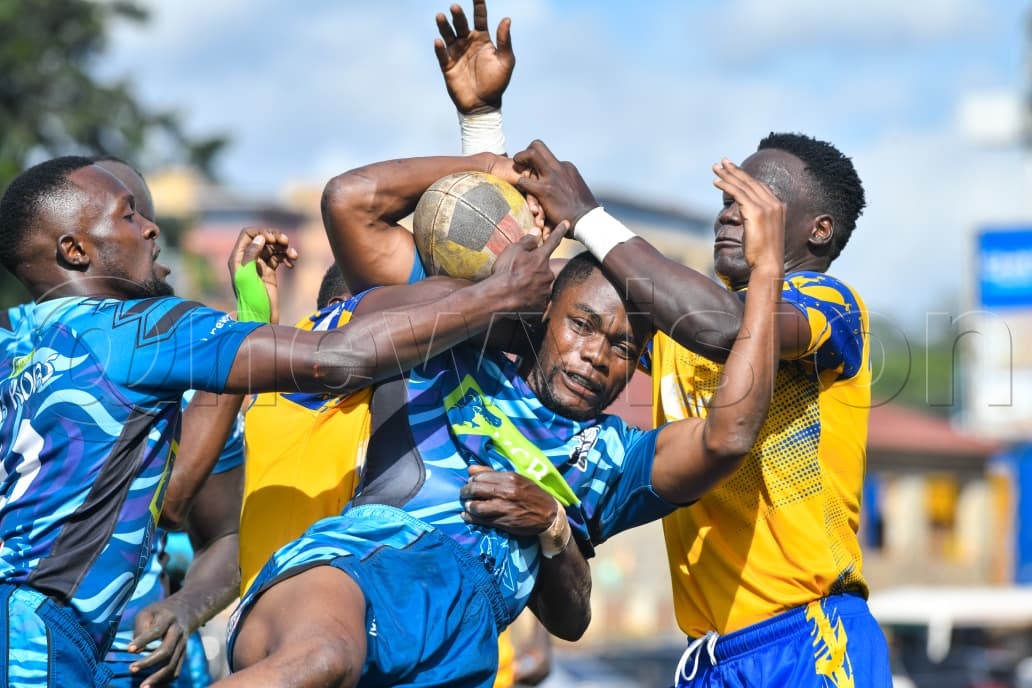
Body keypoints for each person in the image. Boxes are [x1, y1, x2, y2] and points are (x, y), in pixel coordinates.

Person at [217, 138, 785, 688]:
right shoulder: (451, 346)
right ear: (541, 315)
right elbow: (350, 201)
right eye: (581, 325)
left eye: (622, 347)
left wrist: (766, 273)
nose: (595, 355)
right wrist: (493, 165)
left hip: (464, 649)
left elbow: (728, 436)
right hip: (363, 570)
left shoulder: (614, 460)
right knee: (322, 659)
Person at [0, 154, 559, 686]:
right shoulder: (136, 328)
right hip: (38, 629)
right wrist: (496, 296)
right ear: (74, 250)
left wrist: (249, 318)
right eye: (128, 215)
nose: (150, 228)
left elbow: (175, 499)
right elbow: (337, 359)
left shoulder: (17, 342)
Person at [514, 138, 891, 686]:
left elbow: (728, 327)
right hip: (709, 660)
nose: (728, 215)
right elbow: (533, 299)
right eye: (725, 202)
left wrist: (590, 219)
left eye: (752, 203)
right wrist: (487, 139)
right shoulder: (680, 325)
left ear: (819, 230)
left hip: (808, 642)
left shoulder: (831, 305)